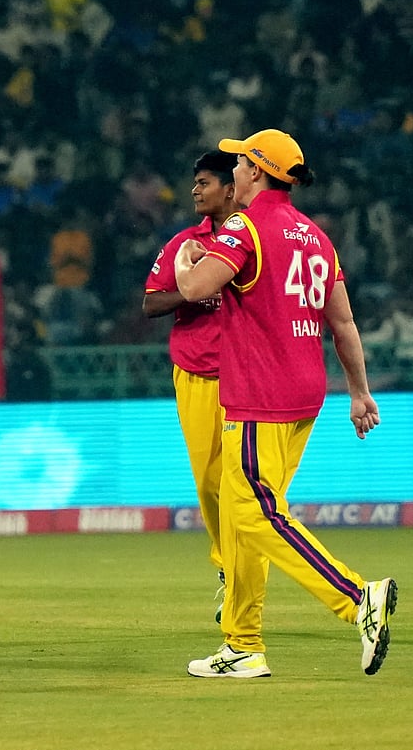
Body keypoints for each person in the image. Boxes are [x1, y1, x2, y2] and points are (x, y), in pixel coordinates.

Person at [175, 128, 395, 678]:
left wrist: (186, 263)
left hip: (259, 397)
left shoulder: (246, 227)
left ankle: (357, 598)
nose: (236, 170)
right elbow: (341, 322)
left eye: (241, 161)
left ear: (255, 171)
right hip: (305, 394)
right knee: (245, 519)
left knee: (255, 514)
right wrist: (359, 390)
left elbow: (197, 287)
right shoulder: (317, 237)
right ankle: (243, 645)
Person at [142, 150, 242, 622]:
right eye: (194, 183)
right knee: (209, 480)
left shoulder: (254, 239)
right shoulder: (184, 244)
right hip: (198, 373)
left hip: (248, 373)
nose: (195, 191)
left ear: (230, 188)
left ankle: (243, 577)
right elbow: (150, 303)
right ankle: (228, 570)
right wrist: (196, 284)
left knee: (243, 481)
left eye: (204, 182)